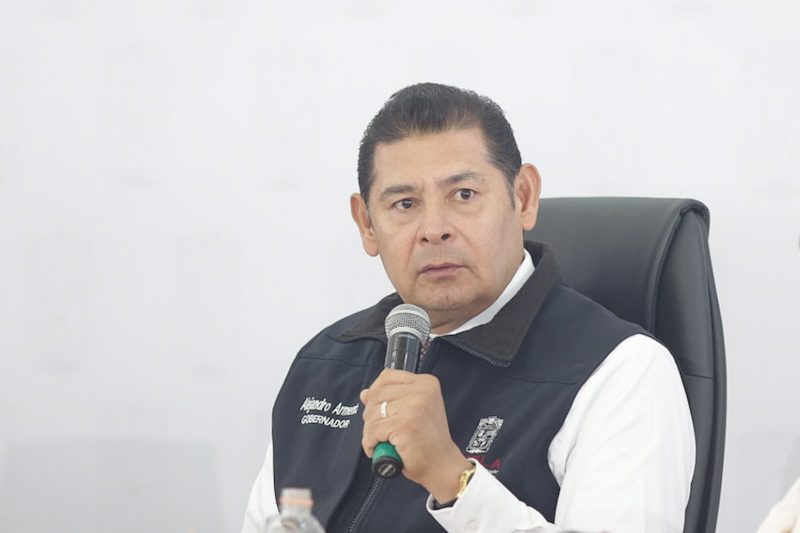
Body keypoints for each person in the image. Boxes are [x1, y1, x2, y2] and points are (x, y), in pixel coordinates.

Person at [242, 83, 695, 533]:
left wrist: (453, 479)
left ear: (523, 197)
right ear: (367, 225)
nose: (434, 229)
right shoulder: (325, 363)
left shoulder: (622, 370)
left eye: (463, 195)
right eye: (405, 203)